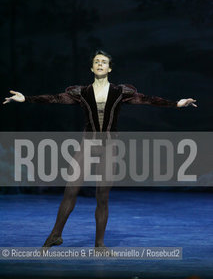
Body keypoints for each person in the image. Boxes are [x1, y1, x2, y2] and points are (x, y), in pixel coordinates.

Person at [3, 50, 197, 250]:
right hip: (88, 144)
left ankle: (99, 244)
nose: (100, 64)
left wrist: (176, 104)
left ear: (110, 68)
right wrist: (26, 98)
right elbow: (55, 98)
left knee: (102, 195)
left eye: (104, 62)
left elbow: (147, 99)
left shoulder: (121, 91)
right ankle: (55, 235)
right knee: (71, 189)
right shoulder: (81, 92)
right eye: (96, 62)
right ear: (91, 68)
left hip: (110, 146)